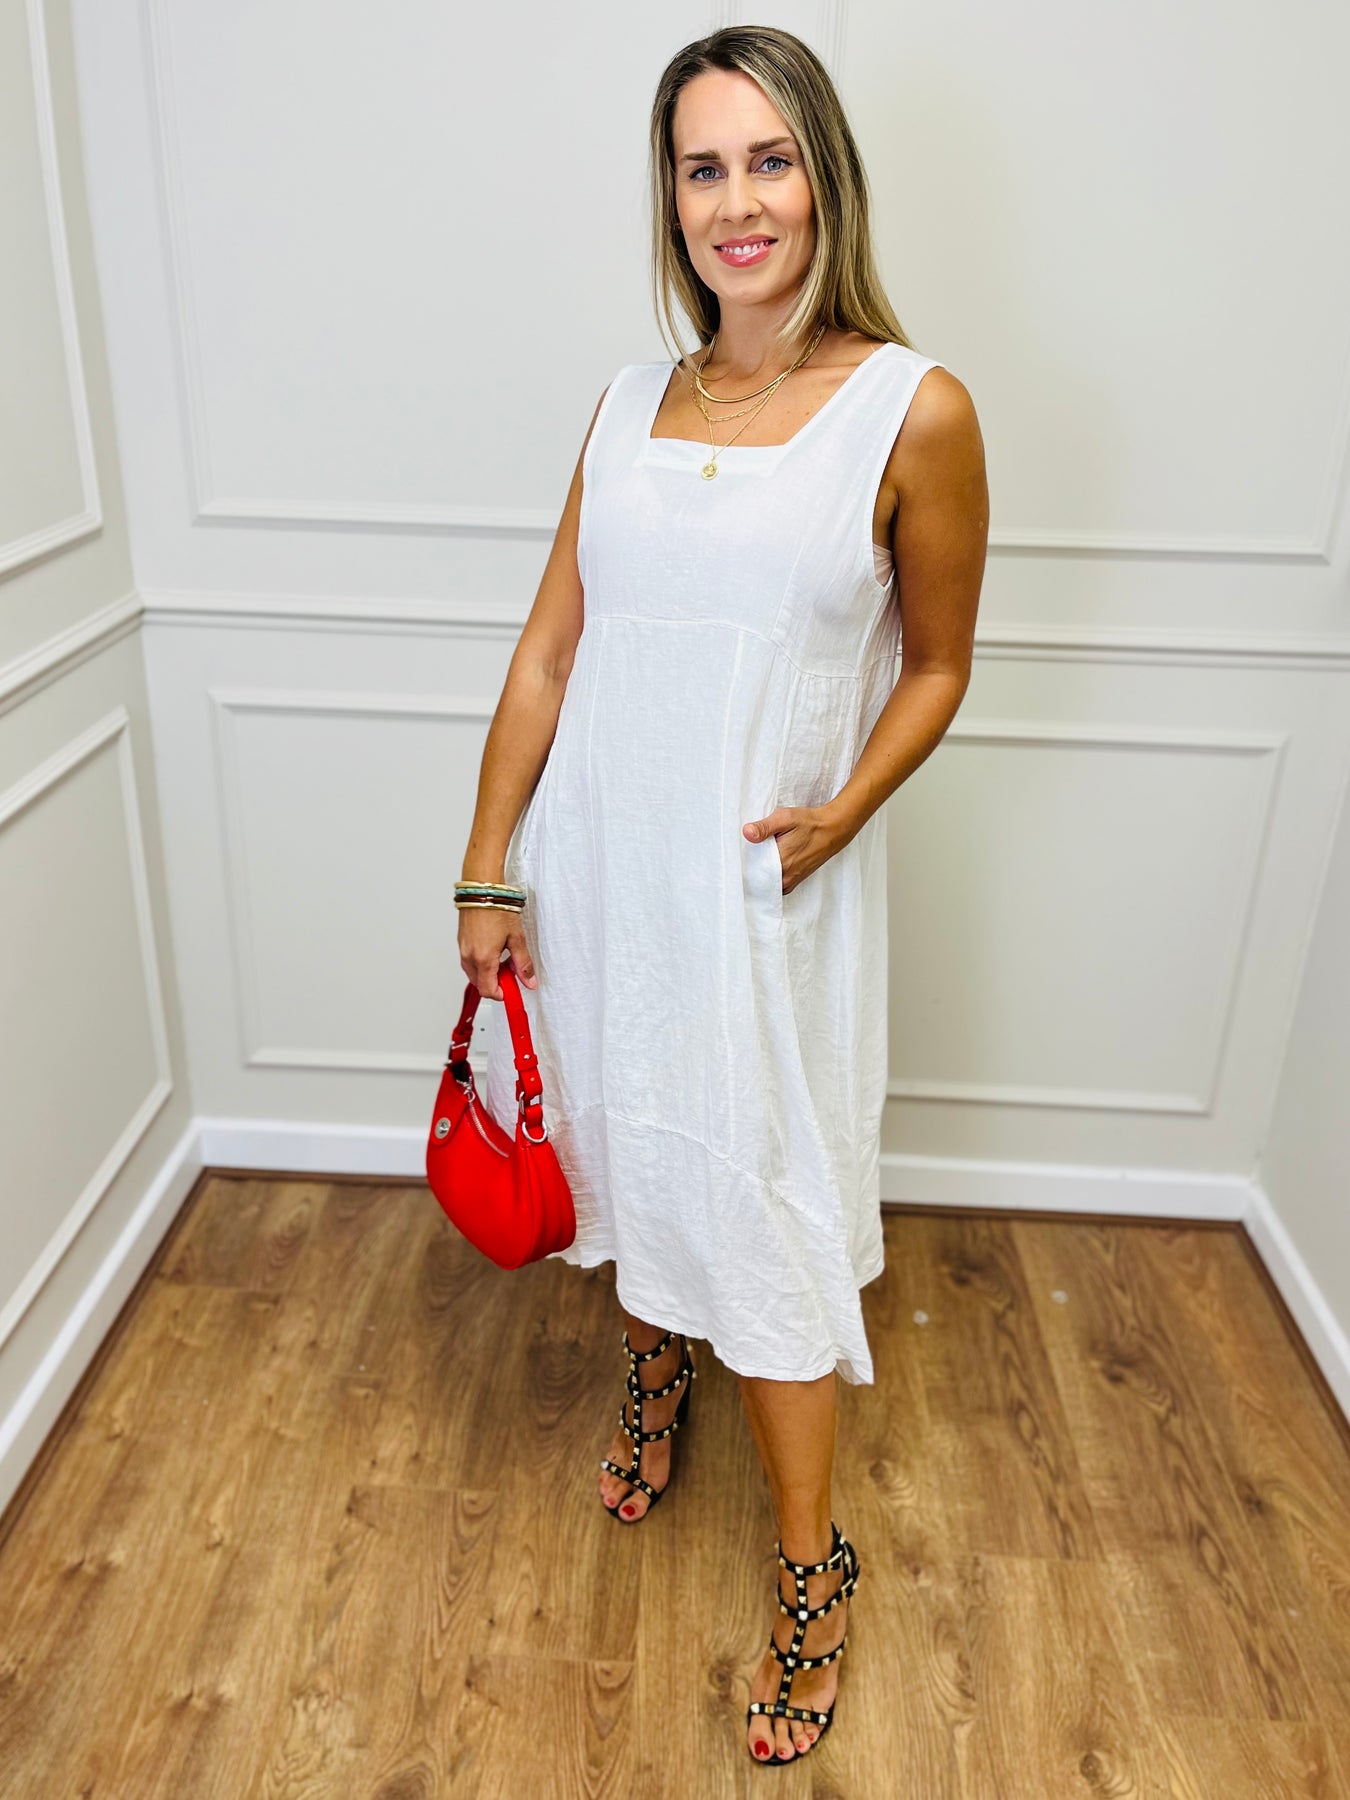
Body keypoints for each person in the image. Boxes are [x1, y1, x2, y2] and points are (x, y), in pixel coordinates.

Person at [457, 24, 988, 1767]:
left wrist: (844, 809)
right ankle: (651, 1359)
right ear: (670, 196)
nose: (736, 202)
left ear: (824, 176)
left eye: (768, 161)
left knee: (755, 1199)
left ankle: (811, 1566)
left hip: (762, 897)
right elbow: (550, 655)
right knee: (627, 1134)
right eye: (703, 167)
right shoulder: (626, 406)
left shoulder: (913, 410)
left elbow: (939, 662)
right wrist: (487, 865)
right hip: (604, 875)